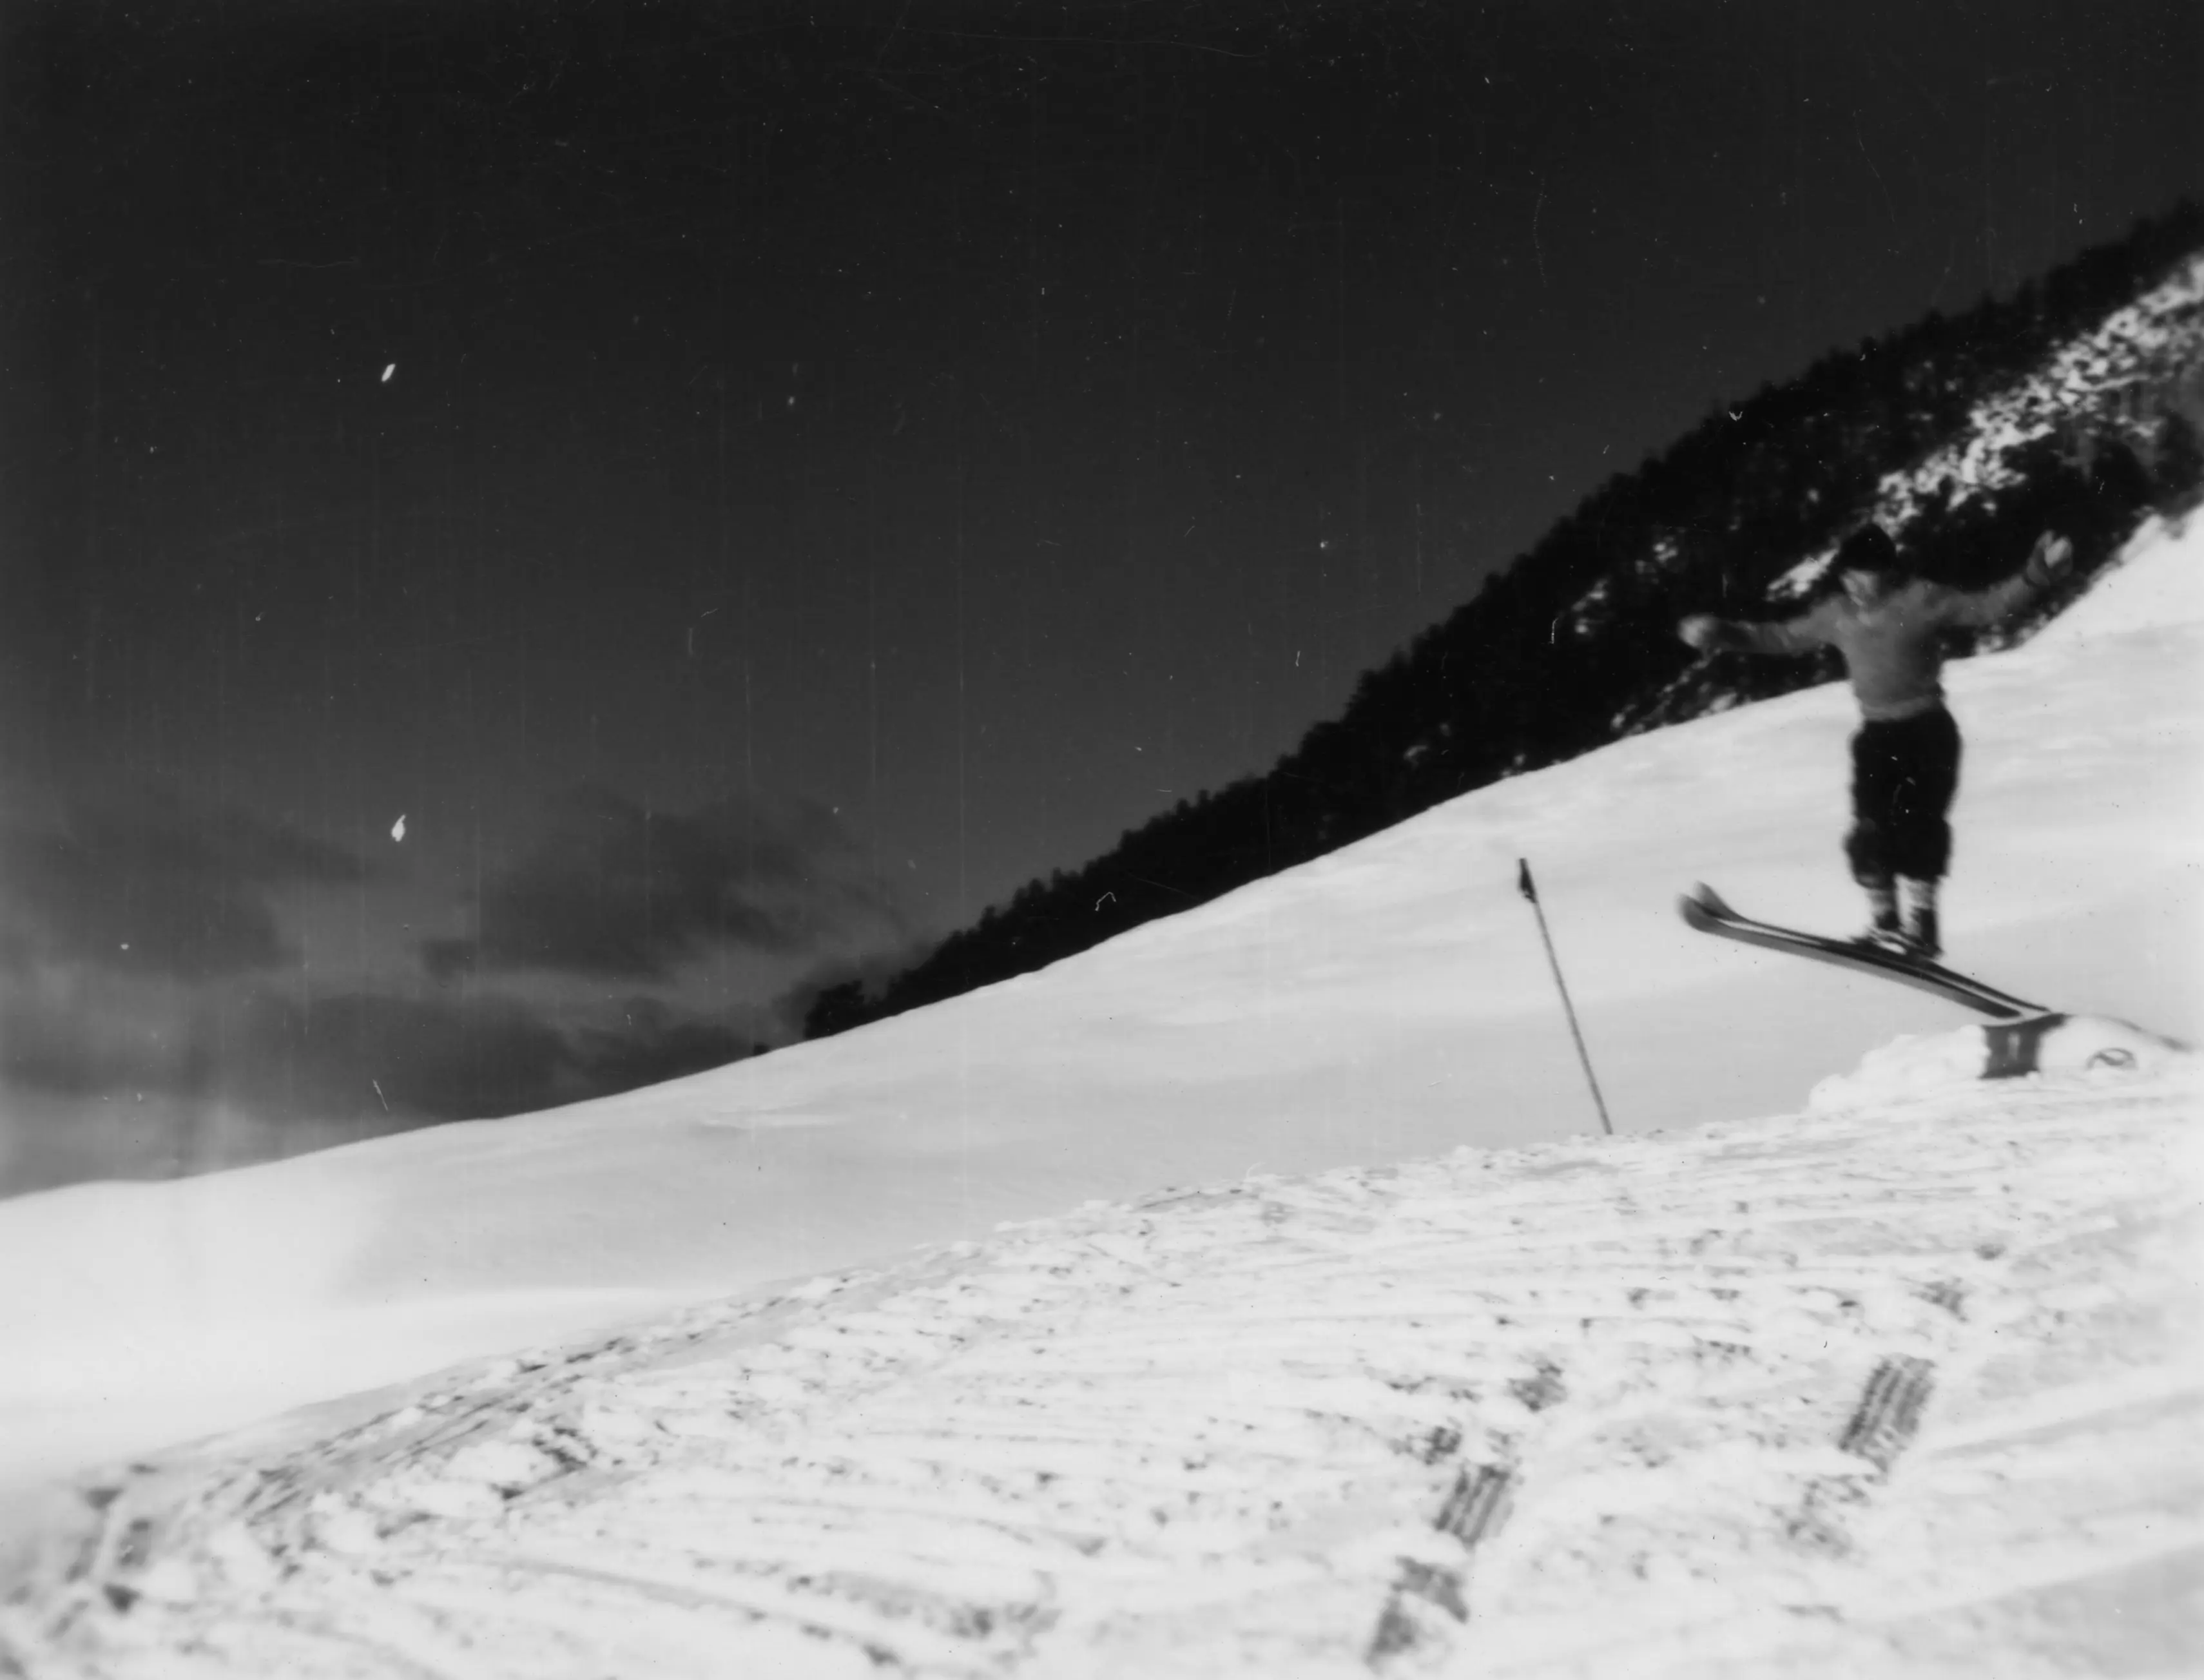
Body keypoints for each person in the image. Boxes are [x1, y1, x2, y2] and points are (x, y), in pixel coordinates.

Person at [1677, 522, 2073, 959]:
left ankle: (1921, 929)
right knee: (1870, 828)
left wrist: (2036, 574)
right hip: (1877, 736)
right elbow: (1784, 637)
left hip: (1928, 731)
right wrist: (1724, 633)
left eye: (1862, 574)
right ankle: (1885, 924)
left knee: (1920, 826)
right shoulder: (1838, 612)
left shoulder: (1921, 598)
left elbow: (1988, 607)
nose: (1853, 583)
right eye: (1846, 575)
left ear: (1887, 571)